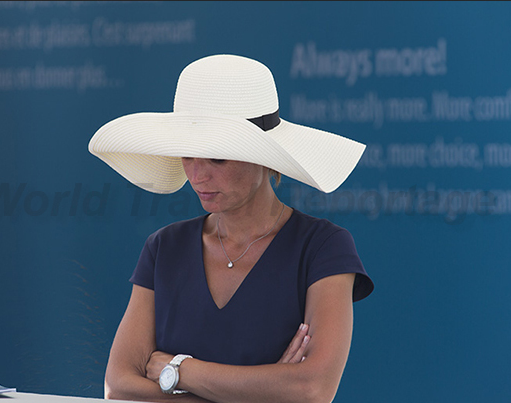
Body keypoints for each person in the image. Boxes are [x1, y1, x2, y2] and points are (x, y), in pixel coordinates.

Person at [89, 54, 374, 403]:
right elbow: (118, 385)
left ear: (264, 156)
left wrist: (179, 371)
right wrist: (261, 390)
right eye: (188, 154)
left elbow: (311, 388)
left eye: (218, 157)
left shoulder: (324, 247)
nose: (197, 174)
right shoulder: (164, 247)